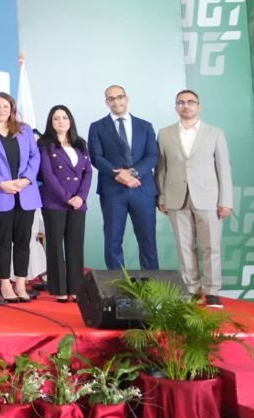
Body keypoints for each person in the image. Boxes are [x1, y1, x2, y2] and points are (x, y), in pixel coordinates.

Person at [156, 89, 235, 307]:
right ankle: (191, 289)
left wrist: (226, 200)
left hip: (209, 198)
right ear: (176, 107)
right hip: (176, 197)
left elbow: (224, 168)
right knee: (184, 246)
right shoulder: (164, 134)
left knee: (211, 246)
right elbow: (161, 169)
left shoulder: (214, 133)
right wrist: (162, 196)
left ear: (199, 107)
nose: (186, 106)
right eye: (181, 102)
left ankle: (212, 291)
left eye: (191, 102)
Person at [0, 92, 42, 303]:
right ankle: (4, 283)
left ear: (12, 109)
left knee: (23, 241)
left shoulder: (25, 130)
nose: (1, 110)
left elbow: (35, 156)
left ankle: (20, 283)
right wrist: (2, 183)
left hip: (25, 193)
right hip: (0, 193)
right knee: (3, 242)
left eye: (5, 106)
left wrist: (26, 179)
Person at [87, 85, 161, 270]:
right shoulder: (97, 127)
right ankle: (118, 284)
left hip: (142, 189)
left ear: (127, 99)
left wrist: (133, 173)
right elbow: (96, 157)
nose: (116, 101)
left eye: (119, 97)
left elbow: (152, 156)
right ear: (106, 102)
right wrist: (119, 175)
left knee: (148, 240)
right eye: (111, 98)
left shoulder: (145, 126)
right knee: (113, 240)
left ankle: (152, 283)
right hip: (112, 190)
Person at [36, 104, 92, 303]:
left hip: (78, 202)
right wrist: (67, 197)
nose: (61, 121)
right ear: (51, 122)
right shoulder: (45, 144)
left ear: (70, 121)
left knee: (75, 245)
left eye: (64, 117)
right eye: (56, 118)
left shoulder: (80, 143)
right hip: (55, 201)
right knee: (55, 245)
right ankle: (59, 289)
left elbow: (88, 172)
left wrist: (81, 197)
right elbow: (47, 174)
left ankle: (76, 288)